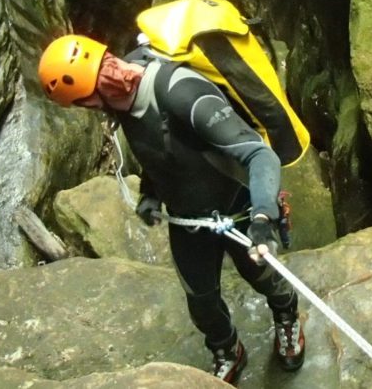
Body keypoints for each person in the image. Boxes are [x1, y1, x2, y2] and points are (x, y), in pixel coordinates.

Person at [38, 34, 305, 384]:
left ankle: (287, 316)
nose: (86, 109)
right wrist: (151, 192)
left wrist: (262, 218)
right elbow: (158, 146)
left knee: (261, 275)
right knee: (201, 299)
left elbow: (259, 154)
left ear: (91, 96)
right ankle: (226, 348)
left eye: (82, 103)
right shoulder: (119, 98)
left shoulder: (181, 92)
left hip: (235, 207)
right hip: (189, 218)